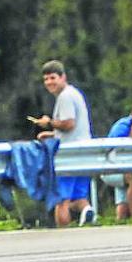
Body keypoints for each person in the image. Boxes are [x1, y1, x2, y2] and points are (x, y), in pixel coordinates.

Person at [31, 60, 94, 226]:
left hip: (70, 155)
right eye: (46, 79)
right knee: (78, 197)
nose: (49, 82)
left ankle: (63, 235)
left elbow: (69, 123)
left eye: (53, 78)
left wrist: (49, 123)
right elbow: (75, 127)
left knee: (61, 200)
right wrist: (52, 134)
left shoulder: (65, 96)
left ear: (63, 77)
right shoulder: (74, 93)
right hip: (84, 150)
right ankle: (87, 213)